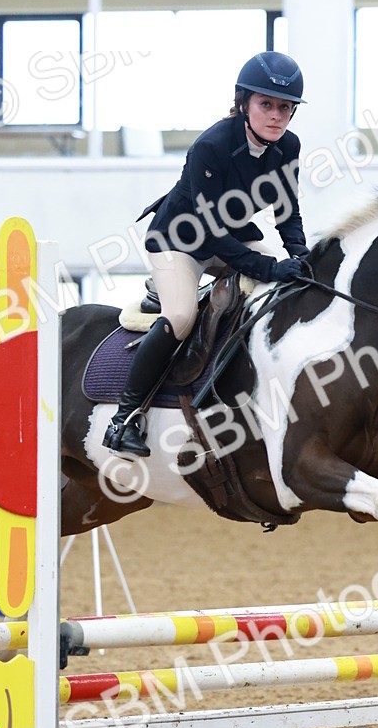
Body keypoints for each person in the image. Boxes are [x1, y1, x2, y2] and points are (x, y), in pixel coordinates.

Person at [103, 51, 309, 459]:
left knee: (284, 290)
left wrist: (302, 257)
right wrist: (270, 267)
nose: (276, 115)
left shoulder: (288, 147)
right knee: (181, 317)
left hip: (230, 238)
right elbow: (211, 232)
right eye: (266, 104)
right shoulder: (211, 146)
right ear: (243, 103)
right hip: (179, 242)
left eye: (285, 107)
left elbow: (287, 211)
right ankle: (124, 419)